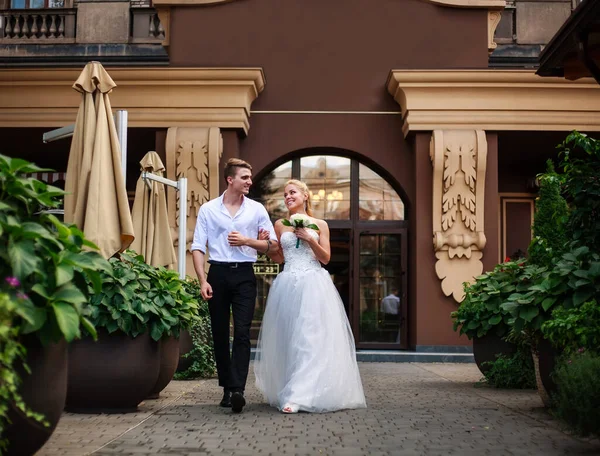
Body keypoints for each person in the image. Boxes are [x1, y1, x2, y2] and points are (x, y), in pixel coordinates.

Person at [254, 179, 367, 414]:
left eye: (292, 192)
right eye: (285, 194)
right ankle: (292, 387)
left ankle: (298, 396)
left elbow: (325, 258)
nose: (287, 197)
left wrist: (308, 238)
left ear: (305, 196)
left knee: (309, 339)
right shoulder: (279, 225)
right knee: (290, 338)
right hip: (287, 284)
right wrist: (264, 244)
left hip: (313, 285)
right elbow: (279, 259)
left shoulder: (320, 224)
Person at [191, 158, 279, 414]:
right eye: (245, 177)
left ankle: (238, 389)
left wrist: (248, 241)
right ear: (230, 180)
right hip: (216, 273)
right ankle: (227, 388)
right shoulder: (208, 209)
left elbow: (271, 246)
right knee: (219, 333)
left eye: (250, 178)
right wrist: (203, 280)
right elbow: (198, 246)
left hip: (244, 275)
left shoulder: (256, 210)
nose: (250, 181)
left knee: (241, 332)